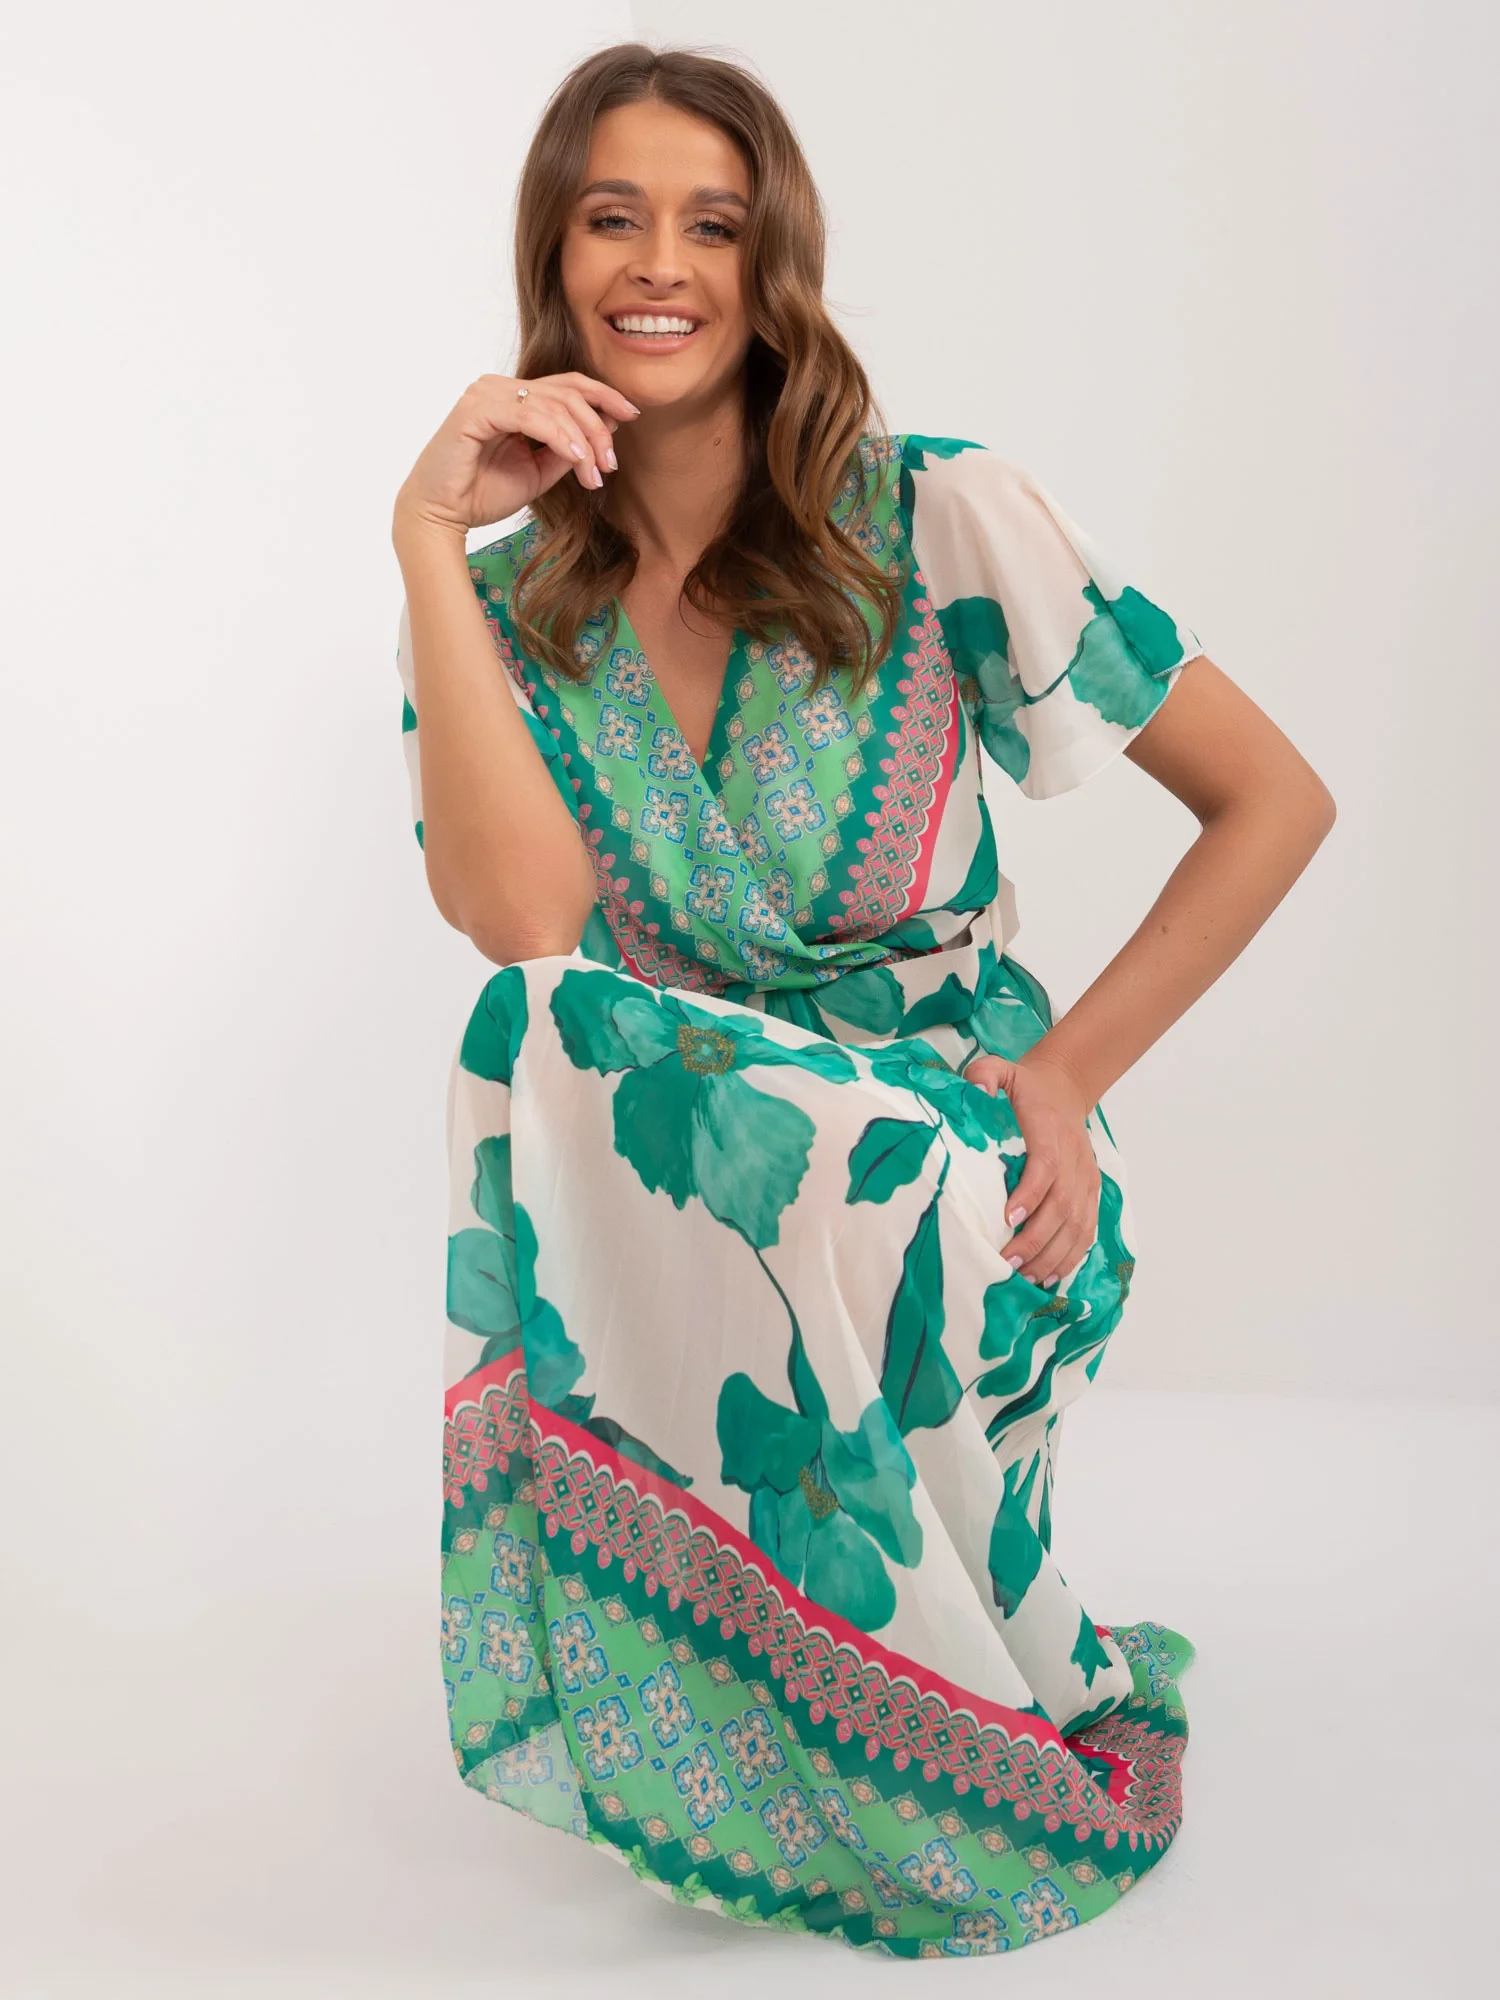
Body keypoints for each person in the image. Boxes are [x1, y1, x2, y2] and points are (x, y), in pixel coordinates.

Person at [390, 42, 1335, 1962]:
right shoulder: (499, 613)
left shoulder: (932, 513)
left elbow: (1274, 800)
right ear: (554, 257)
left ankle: (937, 1733)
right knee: (544, 1027)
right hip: (707, 1174)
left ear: (774, 266)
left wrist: (1065, 1076)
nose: (663, 266)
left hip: (959, 1157)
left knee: (833, 1142)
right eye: (614, 218)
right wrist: (425, 539)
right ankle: (757, 1735)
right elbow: (524, 933)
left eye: (714, 225)